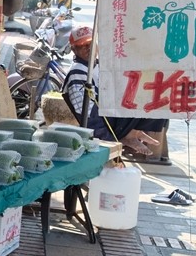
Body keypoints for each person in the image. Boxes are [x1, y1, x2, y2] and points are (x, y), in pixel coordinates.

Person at [61, 26, 166, 159]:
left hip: (114, 115)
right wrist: (109, 139)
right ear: (74, 50)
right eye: (83, 45)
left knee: (157, 95)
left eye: (92, 43)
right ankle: (127, 134)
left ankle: (132, 132)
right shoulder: (78, 72)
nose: (89, 48)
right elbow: (87, 113)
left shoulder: (97, 66)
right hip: (103, 123)